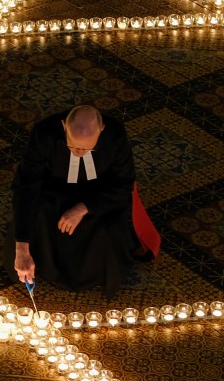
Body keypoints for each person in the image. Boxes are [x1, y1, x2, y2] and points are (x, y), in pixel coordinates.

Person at [13, 105, 156, 298]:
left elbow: (123, 183)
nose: (79, 153)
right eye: (73, 146)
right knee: (43, 216)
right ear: (64, 126)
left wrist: (84, 208)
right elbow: (27, 186)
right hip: (55, 194)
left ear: (102, 130)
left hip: (100, 196)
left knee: (102, 227)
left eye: (88, 148)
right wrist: (22, 247)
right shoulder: (44, 134)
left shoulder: (114, 134)